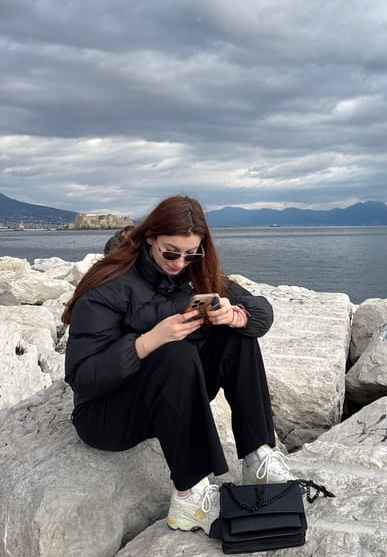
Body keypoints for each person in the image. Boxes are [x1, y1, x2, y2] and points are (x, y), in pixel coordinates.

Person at [62, 194, 291, 537]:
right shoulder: (109, 283)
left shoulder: (195, 274)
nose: (180, 263)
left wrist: (233, 315)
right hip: (106, 415)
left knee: (236, 334)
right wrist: (149, 340)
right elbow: (82, 378)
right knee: (175, 351)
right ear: (150, 237)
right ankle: (190, 496)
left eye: (191, 253)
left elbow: (261, 311)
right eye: (171, 252)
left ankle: (258, 458)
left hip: (167, 405)